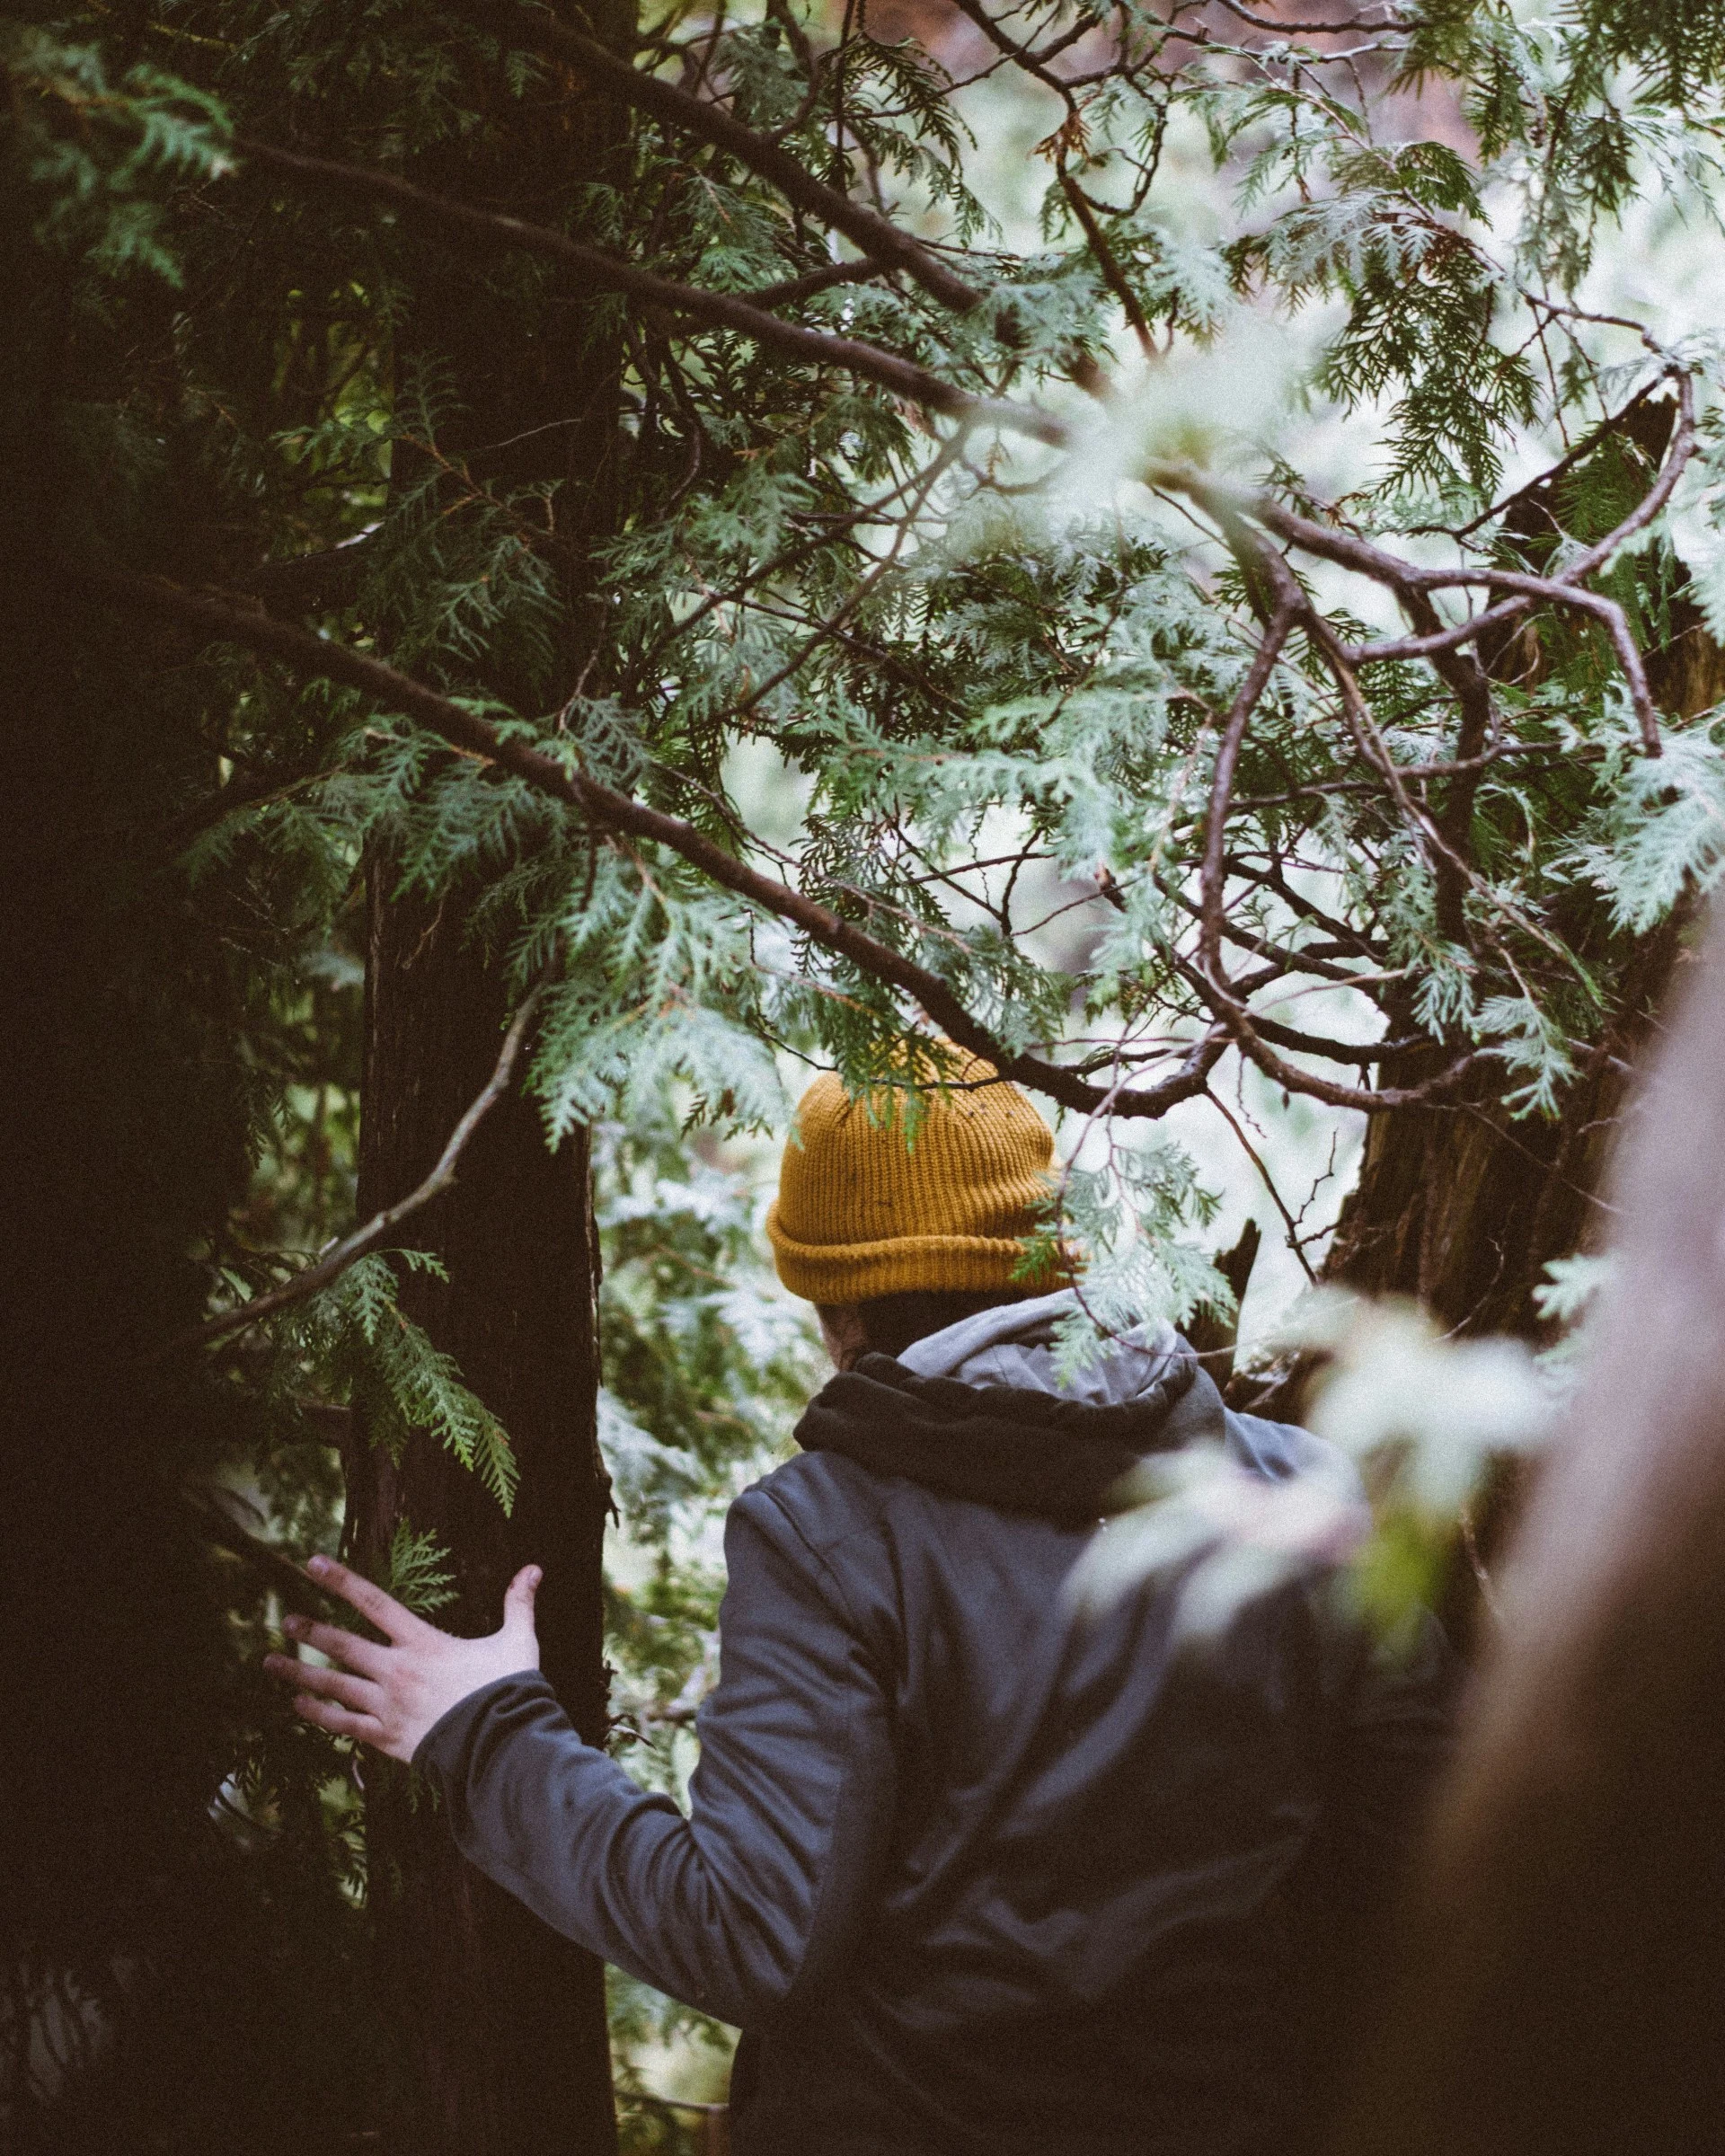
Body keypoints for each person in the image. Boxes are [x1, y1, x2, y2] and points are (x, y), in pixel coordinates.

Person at [267, 1056, 1455, 2155]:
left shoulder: (828, 1538)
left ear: (837, 1299)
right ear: (1057, 1253)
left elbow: (752, 1932)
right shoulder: (1303, 1492)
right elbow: (1432, 1853)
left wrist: (487, 1734)